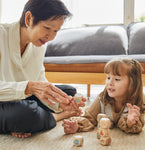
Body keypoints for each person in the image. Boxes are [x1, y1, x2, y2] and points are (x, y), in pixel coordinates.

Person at [0, 0, 86, 138]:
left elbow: (39, 81)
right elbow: (32, 87)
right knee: (26, 113)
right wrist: (29, 87)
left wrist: (60, 103)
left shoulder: (39, 45)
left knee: (68, 92)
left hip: (19, 99)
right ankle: (56, 117)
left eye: (56, 31)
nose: (51, 37)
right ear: (29, 19)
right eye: (47, 28)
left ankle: (28, 120)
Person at [62, 58, 145, 134]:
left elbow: (138, 126)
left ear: (132, 84)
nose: (110, 83)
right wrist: (77, 126)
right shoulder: (102, 97)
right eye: (108, 77)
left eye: (117, 79)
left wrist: (130, 122)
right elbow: (90, 117)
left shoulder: (137, 100)